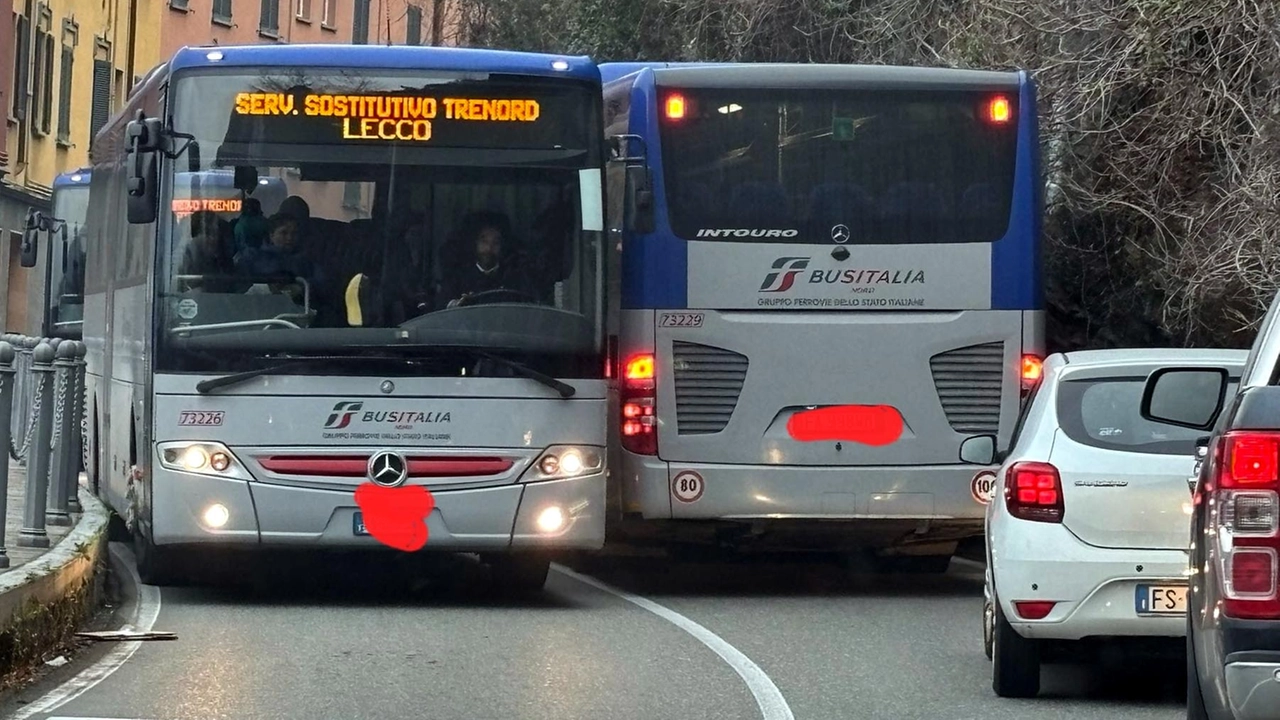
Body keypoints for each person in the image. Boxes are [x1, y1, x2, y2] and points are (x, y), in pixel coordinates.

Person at [440, 211, 530, 307]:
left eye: (495, 242)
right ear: (475, 243)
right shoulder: (456, 277)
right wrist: (458, 305)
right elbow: (442, 307)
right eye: (484, 241)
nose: (489, 248)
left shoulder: (515, 277)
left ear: (502, 246)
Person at [235, 212, 326, 304]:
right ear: (271, 235)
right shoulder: (252, 258)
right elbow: (238, 290)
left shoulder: (305, 261)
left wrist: (300, 288)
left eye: (294, 233)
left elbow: (322, 285)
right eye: (284, 233)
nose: (290, 238)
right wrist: (266, 288)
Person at [177, 210, 240, 292]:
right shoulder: (190, 254)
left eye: (216, 233)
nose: (214, 239)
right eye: (210, 233)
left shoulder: (224, 258)